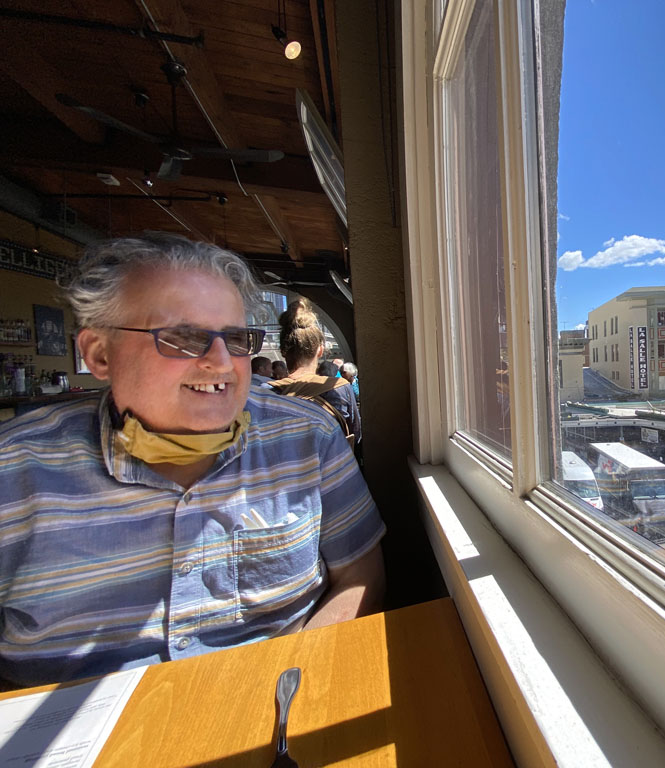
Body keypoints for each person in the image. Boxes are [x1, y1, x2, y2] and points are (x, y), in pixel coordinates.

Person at [0, 234, 385, 688]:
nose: (221, 362)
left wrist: (294, 683)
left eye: (237, 339)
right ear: (99, 354)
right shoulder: (13, 469)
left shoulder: (307, 438)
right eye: (183, 338)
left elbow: (360, 574)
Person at [270, 299, 361, 445]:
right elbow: (355, 434)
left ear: (282, 351)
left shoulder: (267, 392)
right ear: (320, 350)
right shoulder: (339, 388)